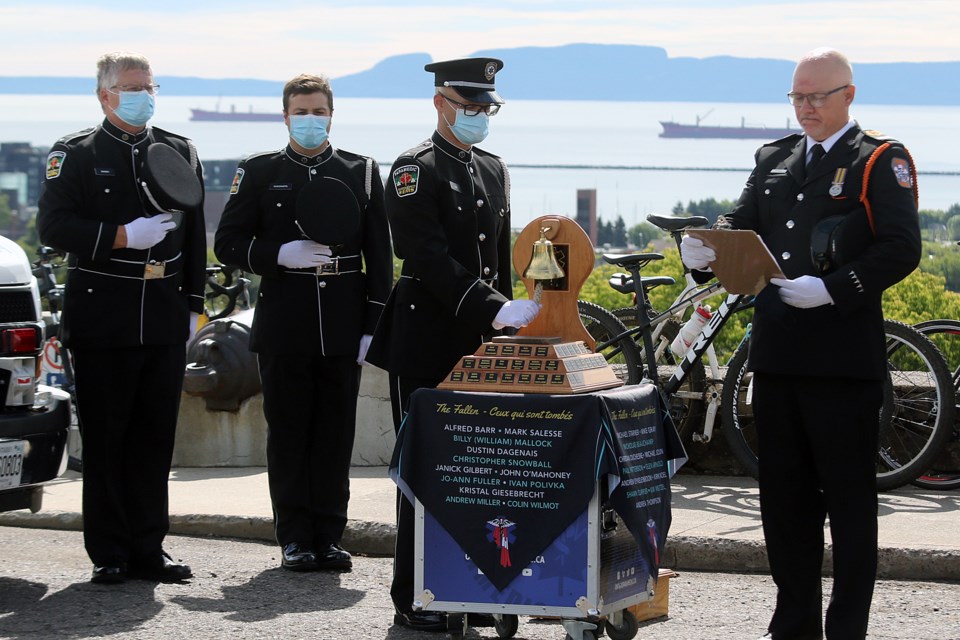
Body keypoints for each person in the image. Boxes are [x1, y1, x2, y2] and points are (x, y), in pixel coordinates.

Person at [681, 48, 921, 639]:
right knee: (784, 506)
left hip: (842, 361)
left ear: (848, 95)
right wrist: (702, 259)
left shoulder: (879, 160)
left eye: (817, 95)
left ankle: (845, 630)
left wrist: (837, 289)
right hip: (779, 356)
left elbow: (901, 247)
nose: (806, 107)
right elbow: (740, 230)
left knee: (849, 506)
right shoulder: (775, 158)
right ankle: (793, 624)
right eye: (797, 96)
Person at [365, 57, 540, 631]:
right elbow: (426, 258)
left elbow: (499, 259)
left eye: (488, 108)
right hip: (427, 340)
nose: (481, 118)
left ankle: (469, 587)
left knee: (479, 472)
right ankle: (416, 596)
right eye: (471, 108)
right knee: (425, 471)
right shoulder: (414, 170)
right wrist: (493, 308)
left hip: (480, 343)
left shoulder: (491, 168)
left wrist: (508, 325)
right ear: (440, 102)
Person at [37, 52, 206, 584]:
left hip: (161, 314)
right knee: (108, 439)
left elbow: (195, 236)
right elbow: (53, 225)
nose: (144, 96)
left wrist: (194, 307)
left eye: (150, 87)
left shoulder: (177, 150)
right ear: (105, 95)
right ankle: (109, 552)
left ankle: (149, 548)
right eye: (132, 87)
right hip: (102, 315)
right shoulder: (77, 153)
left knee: (155, 438)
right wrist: (120, 236)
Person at [214, 73, 392, 573]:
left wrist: (370, 327)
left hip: (342, 319)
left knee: (335, 436)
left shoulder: (360, 171)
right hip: (285, 323)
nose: (310, 120)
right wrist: (278, 255)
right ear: (285, 114)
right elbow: (227, 243)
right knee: (289, 434)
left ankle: (330, 536)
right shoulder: (260, 171)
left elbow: (380, 255)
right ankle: (294, 536)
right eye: (301, 111)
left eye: (318, 111)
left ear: (332, 114)